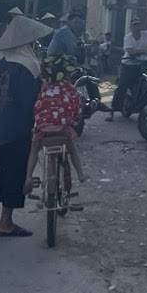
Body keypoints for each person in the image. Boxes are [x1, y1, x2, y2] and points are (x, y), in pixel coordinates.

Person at [0, 15, 52, 237]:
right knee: (14, 173)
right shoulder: (27, 67)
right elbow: (29, 102)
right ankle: (6, 222)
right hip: (19, 127)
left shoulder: (2, 63)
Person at [24, 54, 88, 196]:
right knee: (72, 150)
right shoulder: (70, 89)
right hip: (62, 130)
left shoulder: (43, 88)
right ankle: (80, 174)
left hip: (43, 130)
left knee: (34, 150)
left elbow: (36, 108)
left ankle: (28, 177)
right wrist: (75, 120)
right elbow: (76, 110)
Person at [112, 17, 147, 113]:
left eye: (138, 25)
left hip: (143, 65)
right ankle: (114, 109)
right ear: (131, 27)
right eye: (134, 25)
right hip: (128, 66)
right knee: (122, 86)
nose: (137, 27)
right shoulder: (128, 37)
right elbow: (131, 52)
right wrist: (145, 51)